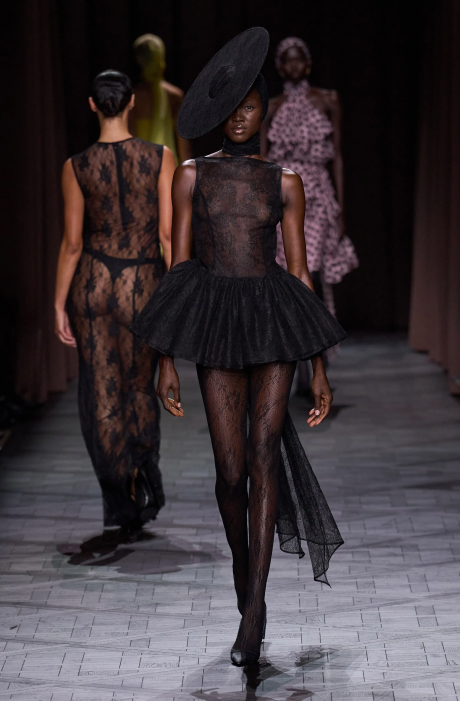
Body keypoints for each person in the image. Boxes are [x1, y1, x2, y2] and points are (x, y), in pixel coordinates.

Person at [132, 29, 344, 666]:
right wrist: (165, 358)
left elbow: (300, 274)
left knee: (262, 455)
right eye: (234, 107)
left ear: (264, 110)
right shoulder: (192, 176)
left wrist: (318, 365)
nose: (243, 115)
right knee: (230, 473)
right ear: (221, 112)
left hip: (274, 320)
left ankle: (254, 610)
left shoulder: (286, 181)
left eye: (252, 105)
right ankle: (242, 575)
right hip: (216, 321)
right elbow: (179, 264)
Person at [54, 70, 176, 540]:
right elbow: (167, 236)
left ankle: (120, 493)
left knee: (103, 390)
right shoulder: (161, 158)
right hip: (141, 282)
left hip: (92, 282)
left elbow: (71, 243)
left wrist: (58, 303)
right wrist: (178, 296)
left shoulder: (76, 165)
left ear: (91, 105)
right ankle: (140, 482)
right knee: (138, 386)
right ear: (131, 103)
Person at [261, 37, 358, 394]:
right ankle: (296, 353)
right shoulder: (272, 106)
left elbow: (338, 155)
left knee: (312, 270)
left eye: (299, 58)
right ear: (279, 66)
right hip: (283, 193)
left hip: (317, 193)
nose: (293, 65)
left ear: (308, 63)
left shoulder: (327, 99)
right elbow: (264, 160)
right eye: (287, 60)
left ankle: (316, 355)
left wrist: (340, 206)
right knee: (289, 274)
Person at [130, 34, 192, 165]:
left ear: (138, 60)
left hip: (141, 169)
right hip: (168, 169)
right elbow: (184, 148)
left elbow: (129, 144)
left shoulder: (132, 97)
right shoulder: (174, 96)